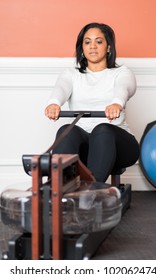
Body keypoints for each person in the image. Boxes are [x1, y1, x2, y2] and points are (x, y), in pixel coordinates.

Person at [45, 22, 139, 182]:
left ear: (109, 47)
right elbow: (61, 88)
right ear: (82, 48)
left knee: (102, 130)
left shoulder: (122, 73)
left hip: (119, 146)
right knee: (66, 130)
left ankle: (92, 191)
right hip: (84, 146)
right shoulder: (71, 74)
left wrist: (117, 103)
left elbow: (124, 88)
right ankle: (60, 189)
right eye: (87, 42)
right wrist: (54, 103)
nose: (93, 46)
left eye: (99, 41)